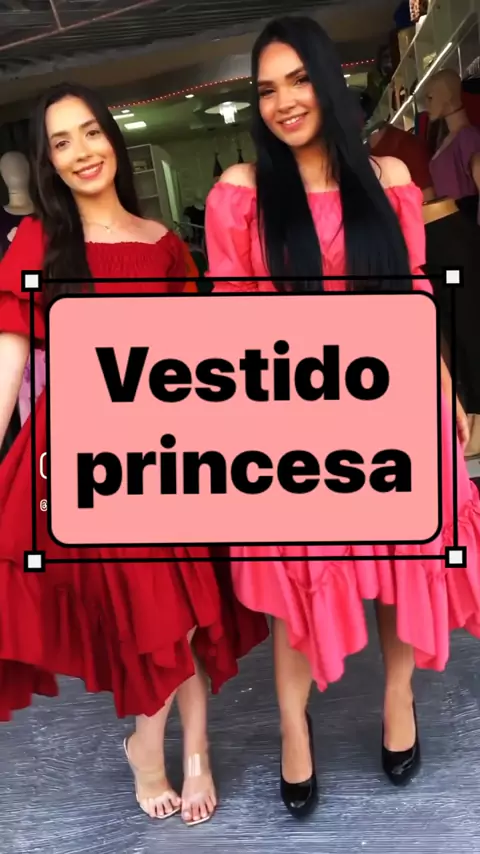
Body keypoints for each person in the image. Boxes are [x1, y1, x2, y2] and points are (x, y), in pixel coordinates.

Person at [205, 16, 480, 817]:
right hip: (290, 417)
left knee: (405, 557)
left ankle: (398, 696)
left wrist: (447, 390)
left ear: (327, 80)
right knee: (297, 574)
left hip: (392, 403)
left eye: (297, 79)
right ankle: (294, 725)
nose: (283, 101)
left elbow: (411, 296)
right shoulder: (241, 193)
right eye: (266, 89)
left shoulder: (388, 178)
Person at [0, 82, 268, 825]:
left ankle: (195, 751)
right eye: (61, 142)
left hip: (171, 446)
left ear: (112, 140)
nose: (81, 152)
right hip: (89, 457)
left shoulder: (161, 244)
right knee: (165, 614)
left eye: (90, 132)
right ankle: (148, 748)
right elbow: (9, 361)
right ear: (49, 162)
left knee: (196, 607)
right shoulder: (37, 243)